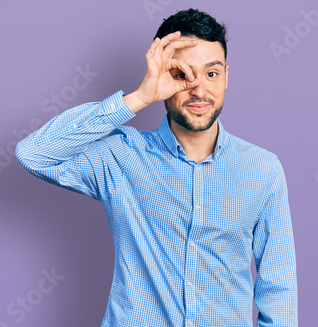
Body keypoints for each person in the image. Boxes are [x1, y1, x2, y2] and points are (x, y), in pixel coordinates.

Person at [15, 8, 297, 327]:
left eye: (211, 73)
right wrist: (138, 98)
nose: (199, 90)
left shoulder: (262, 169)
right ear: (161, 75)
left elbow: (279, 286)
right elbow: (35, 153)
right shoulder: (121, 156)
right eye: (181, 74)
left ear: (227, 76)